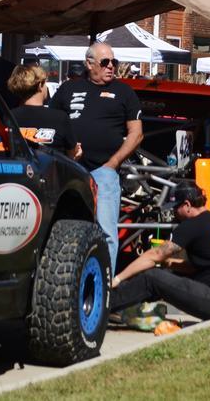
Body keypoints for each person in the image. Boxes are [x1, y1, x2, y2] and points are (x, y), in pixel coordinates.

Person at [50, 41, 143, 272]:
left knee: (106, 231)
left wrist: (113, 163)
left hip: (104, 171)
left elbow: (137, 134)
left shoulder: (124, 92)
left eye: (114, 61)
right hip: (69, 169)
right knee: (65, 226)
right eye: (105, 62)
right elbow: (52, 123)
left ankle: (106, 286)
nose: (111, 66)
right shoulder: (68, 89)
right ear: (89, 64)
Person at [109, 181, 210, 321]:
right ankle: (130, 309)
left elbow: (156, 255)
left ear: (187, 205)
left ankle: (105, 304)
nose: (174, 212)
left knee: (151, 277)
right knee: (166, 274)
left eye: (176, 207)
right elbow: (202, 268)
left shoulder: (192, 225)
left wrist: (118, 278)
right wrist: (170, 264)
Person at [7, 64, 79, 159]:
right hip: (50, 172)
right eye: (45, 83)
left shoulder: (8, 116)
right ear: (40, 85)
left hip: (18, 170)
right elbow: (72, 153)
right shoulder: (59, 118)